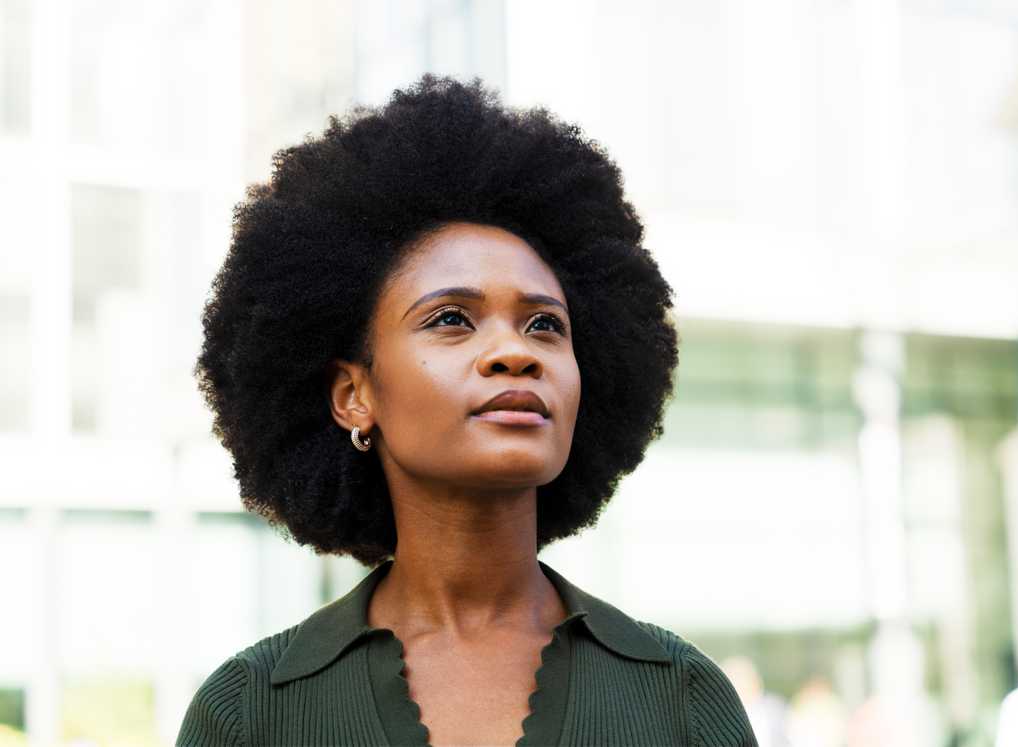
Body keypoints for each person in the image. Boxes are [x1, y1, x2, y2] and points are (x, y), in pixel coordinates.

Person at [175, 74, 757, 746]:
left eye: (545, 325)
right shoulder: (251, 712)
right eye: (452, 318)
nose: (515, 350)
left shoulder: (679, 696)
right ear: (353, 395)